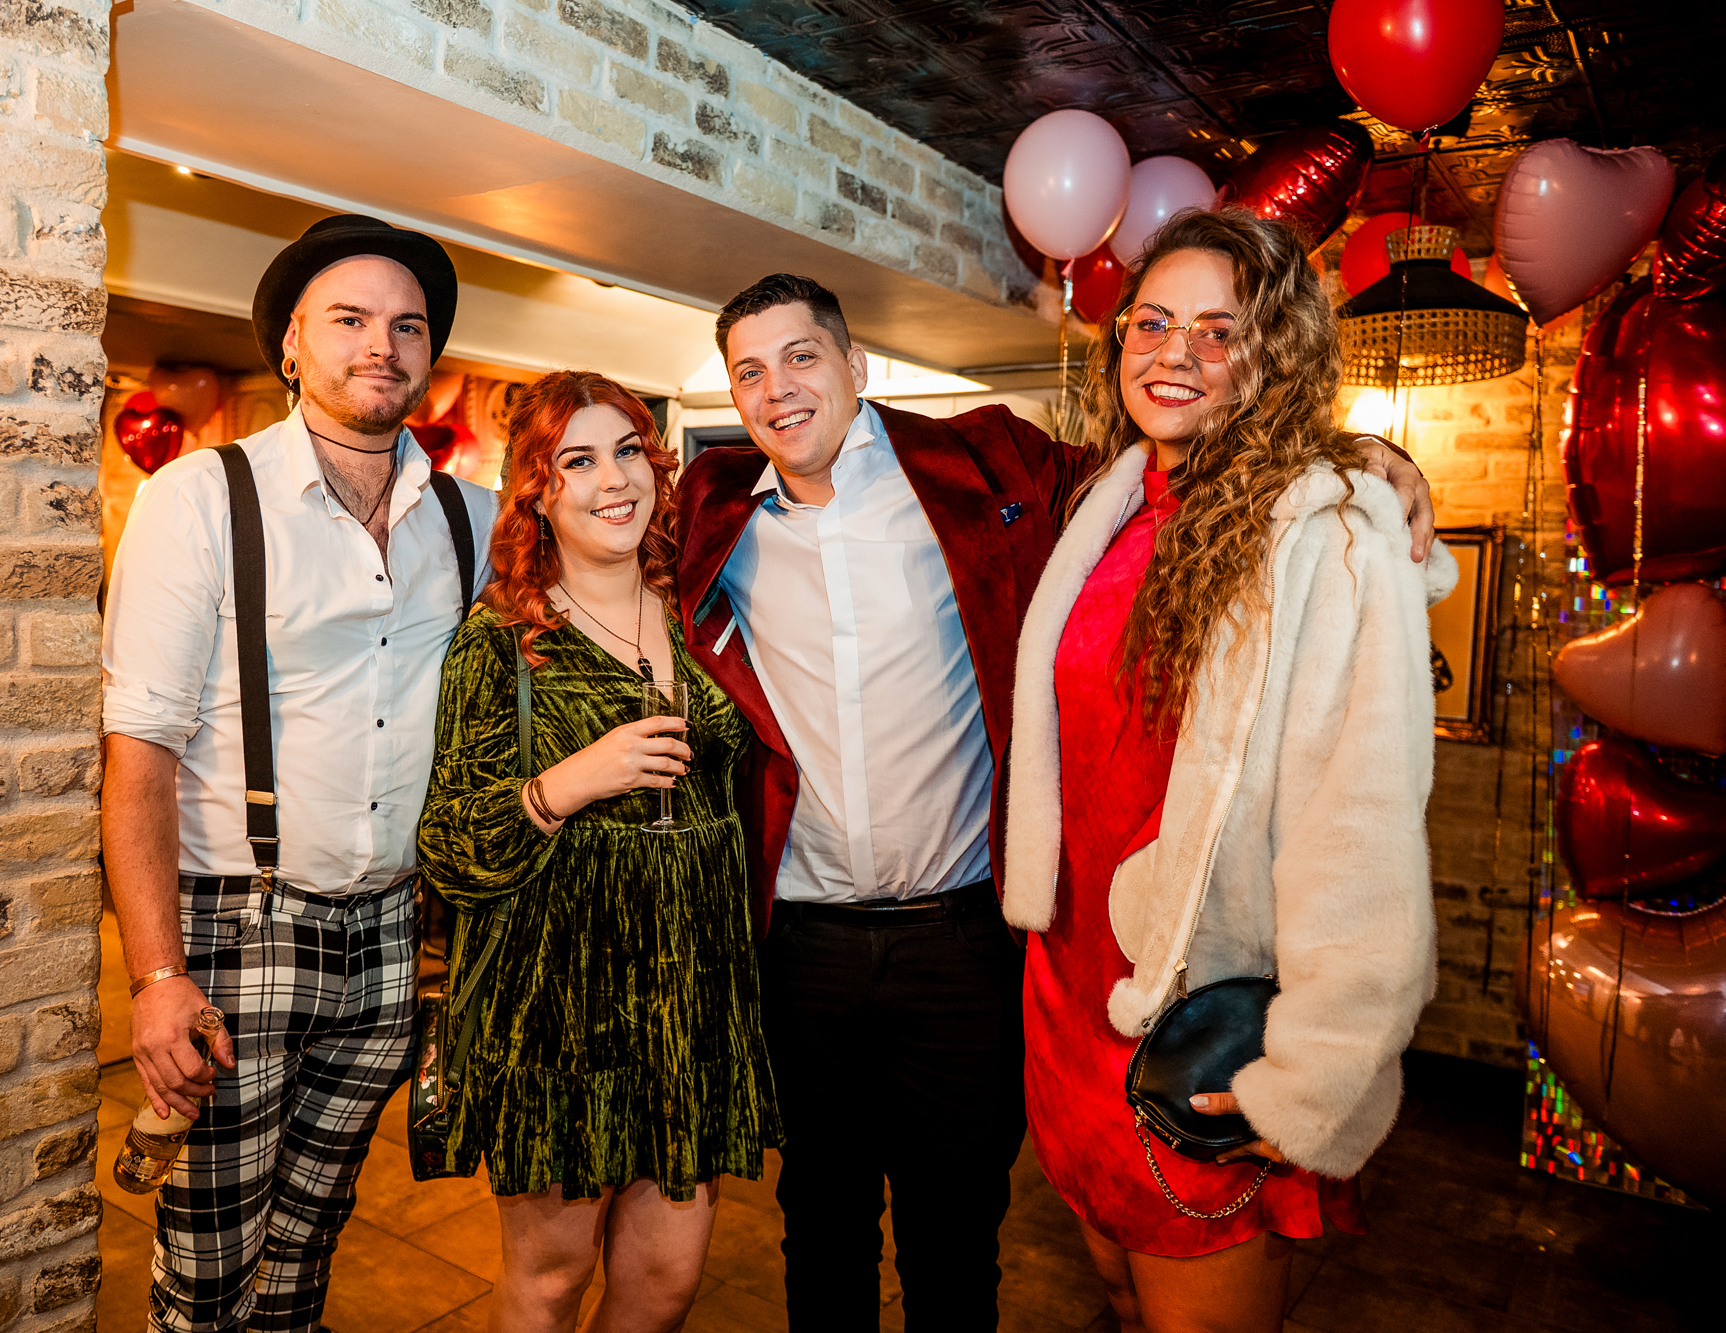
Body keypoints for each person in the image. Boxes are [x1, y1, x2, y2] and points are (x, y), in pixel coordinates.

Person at [674, 272, 1437, 1330]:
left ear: (853, 367)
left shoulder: (989, 468)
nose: (776, 389)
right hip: (800, 943)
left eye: (801, 356)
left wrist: (1356, 455)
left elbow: (1192, 470)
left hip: (963, 940)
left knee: (955, 1231)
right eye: (748, 371)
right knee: (819, 1223)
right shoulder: (711, 513)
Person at [1001, 209, 1451, 1333]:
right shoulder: (1104, 511)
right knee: (1113, 1290)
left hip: (1200, 1017)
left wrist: (1313, 1080)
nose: (1175, 354)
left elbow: (1362, 830)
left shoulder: (1329, 531)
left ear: (1274, 353)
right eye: (1150, 324)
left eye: (1219, 330)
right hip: (1069, 1003)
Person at [101, 215, 495, 1333]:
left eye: (407, 324)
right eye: (351, 319)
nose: (383, 343)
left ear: (429, 354)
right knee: (211, 1251)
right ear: (289, 348)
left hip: (391, 938)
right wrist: (154, 976)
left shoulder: (470, 519)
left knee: (314, 1231)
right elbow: (139, 751)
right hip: (238, 920)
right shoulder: (202, 496)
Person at [417, 370, 781, 1333]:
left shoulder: (706, 619)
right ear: (537, 489)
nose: (612, 479)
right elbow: (451, 846)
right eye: (576, 460)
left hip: (692, 1000)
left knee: (665, 1279)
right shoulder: (501, 643)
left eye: (628, 451)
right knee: (550, 1278)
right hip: (559, 1011)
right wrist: (572, 779)